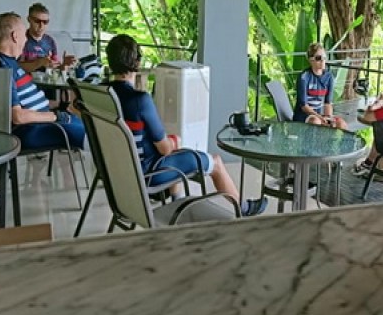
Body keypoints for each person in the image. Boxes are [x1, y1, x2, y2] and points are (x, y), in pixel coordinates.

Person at [105, 34, 268, 217]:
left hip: (119, 172)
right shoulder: (140, 100)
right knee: (214, 161)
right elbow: (165, 148)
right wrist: (175, 141)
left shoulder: (104, 94)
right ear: (137, 62)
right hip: (147, 174)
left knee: (175, 148)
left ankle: (178, 202)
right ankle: (243, 207)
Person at [0, 12, 85, 151]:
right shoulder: (2, 67)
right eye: (24, 35)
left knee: (90, 129)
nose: (26, 39)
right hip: (28, 130)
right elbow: (18, 117)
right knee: (94, 137)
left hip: (39, 123)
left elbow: (26, 100)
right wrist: (55, 116)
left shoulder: (8, 62)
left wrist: (59, 105)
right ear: (15, 36)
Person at [292, 42, 347, 129]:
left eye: (324, 57)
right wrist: (319, 117)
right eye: (318, 58)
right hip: (304, 115)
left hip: (320, 114)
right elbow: (304, 106)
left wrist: (329, 118)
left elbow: (327, 103)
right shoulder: (304, 77)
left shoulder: (329, 77)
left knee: (341, 123)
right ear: (311, 60)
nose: (322, 60)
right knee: (316, 122)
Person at [19, 2, 76, 73]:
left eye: (45, 22)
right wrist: (39, 63)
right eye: (37, 21)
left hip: (46, 79)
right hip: (27, 79)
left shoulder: (50, 41)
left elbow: (54, 68)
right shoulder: (20, 39)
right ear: (29, 19)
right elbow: (16, 67)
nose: (41, 26)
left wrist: (64, 65)